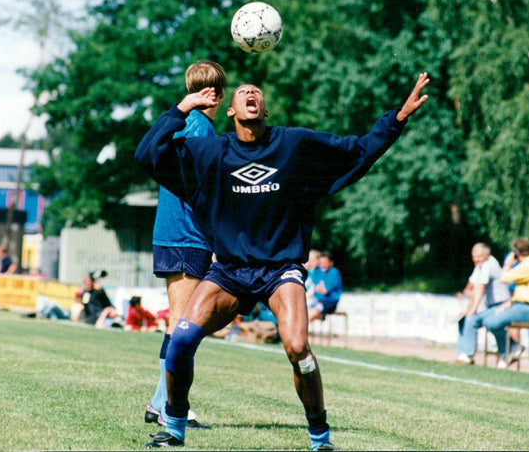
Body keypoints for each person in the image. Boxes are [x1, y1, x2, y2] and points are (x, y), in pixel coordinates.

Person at [135, 72, 430, 449]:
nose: (250, 94)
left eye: (256, 92)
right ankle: (173, 429)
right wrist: (181, 108)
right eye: (242, 92)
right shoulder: (210, 154)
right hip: (228, 270)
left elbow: (357, 150)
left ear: (265, 108)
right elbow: (147, 155)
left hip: (280, 270)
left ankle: (320, 438)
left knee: (297, 348)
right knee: (181, 339)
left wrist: (398, 118)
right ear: (230, 110)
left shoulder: (294, 145)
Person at [144, 60, 226, 431]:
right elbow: (204, 191)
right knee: (183, 323)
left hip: (170, 232)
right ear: (219, 96)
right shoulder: (202, 128)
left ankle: (158, 402)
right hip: (187, 235)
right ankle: (171, 408)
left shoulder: (183, 122)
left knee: (179, 322)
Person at [472, 237, 529, 369]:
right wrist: (509, 303)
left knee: (491, 322)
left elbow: (503, 278)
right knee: (489, 319)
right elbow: (526, 291)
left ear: (516, 253)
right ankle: (511, 350)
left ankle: (511, 349)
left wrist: (507, 264)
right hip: (522, 305)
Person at [454, 243, 511, 364]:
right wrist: (468, 308)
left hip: (501, 304)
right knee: (464, 319)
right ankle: (461, 354)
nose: (475, 259)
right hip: (491, 306)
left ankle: (468, 355)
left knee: (471, 319)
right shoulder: (479, 265)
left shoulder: (488, 264)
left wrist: (472, 310)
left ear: (487, 255)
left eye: (478, 256)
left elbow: (480, 288)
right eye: (474, 256)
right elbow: (470, 288)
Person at [306, 251, 343, 323]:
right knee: (302, 313)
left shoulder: (334, 272)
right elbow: (315, 287)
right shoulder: (317, 271)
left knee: (307, 316)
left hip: (328, 302)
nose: (323, 265)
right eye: (321, 263)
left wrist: (318, 289)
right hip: (316, 300)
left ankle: (321, 315)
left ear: (331, 263)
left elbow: (325, 291)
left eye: (325, 263)